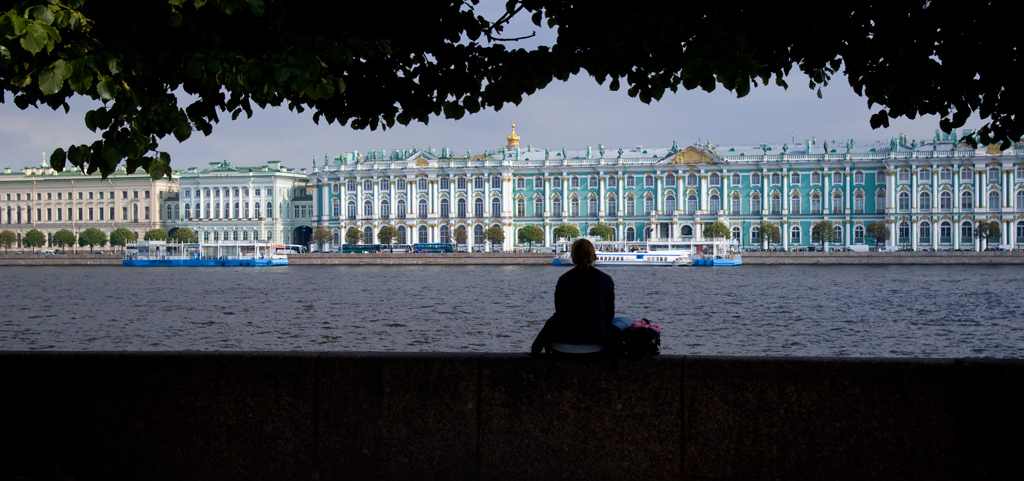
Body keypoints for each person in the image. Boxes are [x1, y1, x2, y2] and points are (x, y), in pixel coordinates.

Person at [531, 238, 623, 356]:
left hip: (561, 344)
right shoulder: (605, 279)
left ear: (573, 258)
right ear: (594, 256)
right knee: (624, 321)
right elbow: (609, 314)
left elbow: (559, 310)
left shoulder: (564, 279)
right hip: (598, 342)